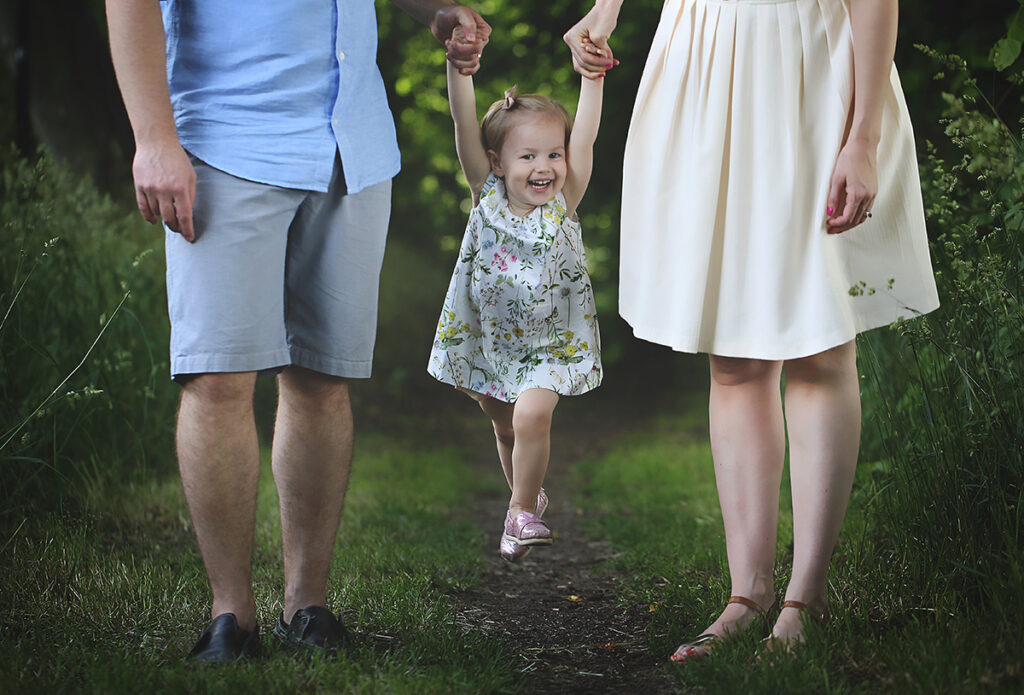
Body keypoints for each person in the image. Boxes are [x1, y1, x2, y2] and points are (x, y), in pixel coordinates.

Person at [105, 0, 489, 663]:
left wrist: (435, 10)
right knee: (218, 376)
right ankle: (231, 616)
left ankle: (306, 605)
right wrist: (153, 137)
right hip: (226, 140)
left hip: (352, 146)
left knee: (321, 378)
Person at [564, 0, 939, 660]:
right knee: (733, 354)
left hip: (811, 69)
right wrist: (603, 9)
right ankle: (748, 593)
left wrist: (863, 136)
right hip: (704, 66)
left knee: (821, 343)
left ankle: (807, 596)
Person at [427, 36, 606, 562]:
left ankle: (521, 509)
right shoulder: (487, 197)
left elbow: (588, 138)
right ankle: (523, 498)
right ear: (498, 163)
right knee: (503, 423)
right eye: (528, 155)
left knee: (530, 417)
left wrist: (592, 79)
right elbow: (464, 125)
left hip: (551, 342)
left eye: (553, 153)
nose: (544, 166)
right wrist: (459, 70)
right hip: (491, 340)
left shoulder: (564, 203)